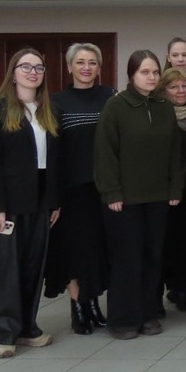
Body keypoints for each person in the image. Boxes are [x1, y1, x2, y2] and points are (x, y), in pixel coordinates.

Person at [95, 50, 186, 340]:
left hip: (158, 197)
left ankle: (148, 313)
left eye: (155, 72)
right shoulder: (115, 106)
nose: (151, 77)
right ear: (131, 75)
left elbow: (175, 151)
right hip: (124, 199)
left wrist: (175, 188)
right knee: (127, 259)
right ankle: (123, 319)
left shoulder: (163, 105)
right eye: (144, 72)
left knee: (152, 256)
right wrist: (111, 191)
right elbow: (105, 153)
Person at [0, 48, 61, 358]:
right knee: (8, 269)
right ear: (13, 72)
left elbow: (53, 161)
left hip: (40, 200)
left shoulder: (46, 110)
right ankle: (4, 333)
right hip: (9, 202)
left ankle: (27, 327)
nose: (33, 72)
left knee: (32, 267)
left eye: (39, 67)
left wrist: (54, 201)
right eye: (26, 67)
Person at [48, 43, 114, 335]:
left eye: (92, 62)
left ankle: (94, 304)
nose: (86, 67)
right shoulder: (56, 102)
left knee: (99, 249)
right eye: (80, 62)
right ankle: (78, 308)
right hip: (72, 191)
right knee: (75, 250)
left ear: (99, 67)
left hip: (105, 187)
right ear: (69, 66)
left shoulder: (109, 96)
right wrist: (54, 196)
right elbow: (52, 152)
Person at [158, 68, 186, 313]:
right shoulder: (159, 115)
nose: (180, 91)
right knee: (168, 244)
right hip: (167, 192)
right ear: (164, 91)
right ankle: (170, 288)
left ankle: (182, 289)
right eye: (174, 87)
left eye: (184, 86)